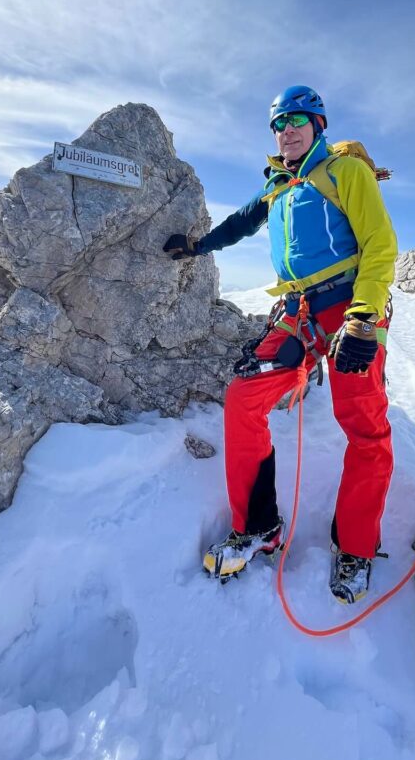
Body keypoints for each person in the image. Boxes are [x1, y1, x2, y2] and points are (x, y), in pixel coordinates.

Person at [163, 85, 397, 603]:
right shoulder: (280, 184)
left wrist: (362, 318)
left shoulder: (344, 171)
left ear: (318, 125)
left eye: (298, 119)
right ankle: (259, 527)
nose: (287, 129)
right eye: (278, 123)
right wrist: (197, 246)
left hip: (350, 307)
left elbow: (380, 244)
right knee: (244, 399)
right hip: (299, 312)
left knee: (365, 427)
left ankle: (356, 545)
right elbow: (243, 223)